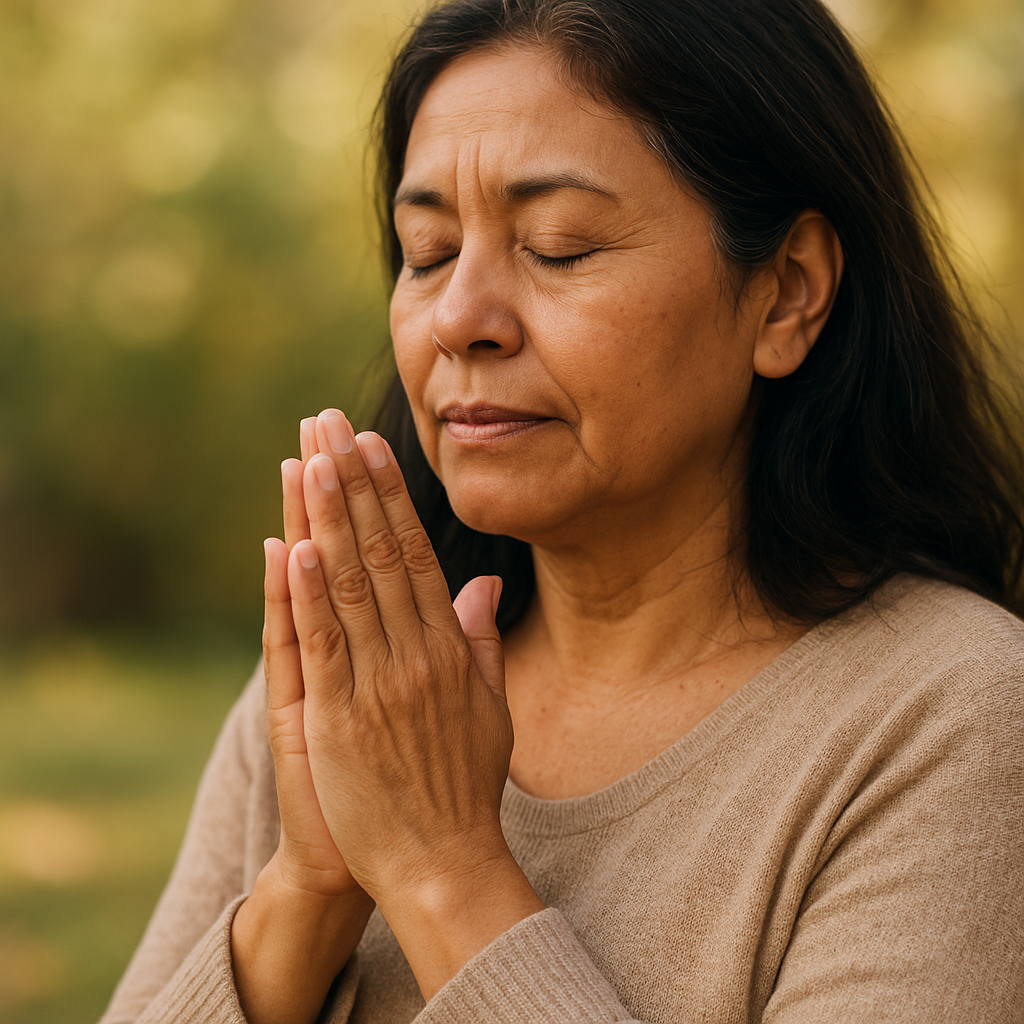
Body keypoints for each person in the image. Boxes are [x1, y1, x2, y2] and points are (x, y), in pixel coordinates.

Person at [100, 0, 1024, 1021]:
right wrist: (304, 894)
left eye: (558, 246)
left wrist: (442, 869)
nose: (458, 319)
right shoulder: (361, 689)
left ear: (786, 293)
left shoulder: (957, 717)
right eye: (427, 250)